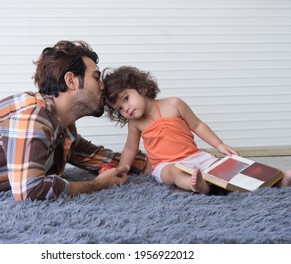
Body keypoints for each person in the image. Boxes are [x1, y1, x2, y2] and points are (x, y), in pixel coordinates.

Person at [0, 40, 147, 201]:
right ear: (71, 81)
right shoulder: (34, 114)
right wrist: (97, 185)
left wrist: (160, 160)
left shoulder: (63, 130)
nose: (103, 86)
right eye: (96, 77)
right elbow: (29, 190)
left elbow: (101, 157)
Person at [102, 66, 291, 194]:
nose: (125, 109)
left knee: (229, 167)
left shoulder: (173, 103)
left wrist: (220, 144)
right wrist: (122, 169)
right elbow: (129, 148)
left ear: (141, 89)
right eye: (119, 108)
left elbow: (198, 125)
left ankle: (278, 178)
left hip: (194, 156)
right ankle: (197, 186)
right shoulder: (136, 123)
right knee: (175, 174)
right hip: (165, 164)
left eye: (126, 99)